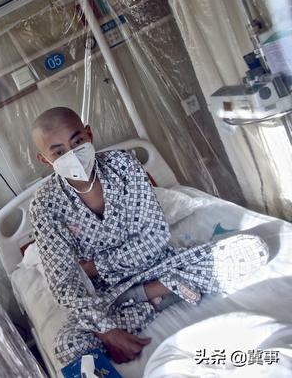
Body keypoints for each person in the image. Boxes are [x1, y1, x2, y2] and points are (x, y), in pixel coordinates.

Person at [29, 107, 269, 365]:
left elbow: (155, 237)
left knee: (253, 249)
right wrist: (107, 331)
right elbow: (64, 282)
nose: (73, 154)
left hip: (160, 265)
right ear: (45, 159)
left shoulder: (123, 165)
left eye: (77, 142)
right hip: (108, 293)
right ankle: (162, 292)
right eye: (59, 152)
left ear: (89, 134)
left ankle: (153, 293)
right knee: (69, 346)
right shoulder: (45, 206)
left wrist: (95, 267)